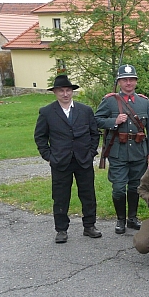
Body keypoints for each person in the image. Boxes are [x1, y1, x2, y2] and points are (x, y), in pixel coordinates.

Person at [34, 74, 101, 243]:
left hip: (83, 159)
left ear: (72, 91)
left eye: (68, 90)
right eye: (61, 91)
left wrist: (91, 152)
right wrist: (49, 156)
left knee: (88, 194)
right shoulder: (47, 112)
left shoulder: (85, 110)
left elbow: (94, 133)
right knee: (60, 196)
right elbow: (40, 137)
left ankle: (89, 226)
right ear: (55, 92)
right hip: (60, 161)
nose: (65, 94)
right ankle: (61, 229)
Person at [95, 64, 149, 234]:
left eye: (131, 79)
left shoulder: (144, 102)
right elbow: (96, 119)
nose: (128, 83)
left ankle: (132, 218)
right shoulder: (110, 101)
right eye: (124, 80)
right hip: (118, 152)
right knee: (118, 188)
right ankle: (120, 219)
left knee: (136, 186)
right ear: (119, 82)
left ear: (136, 81)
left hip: (138, 151)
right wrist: (113, 121)